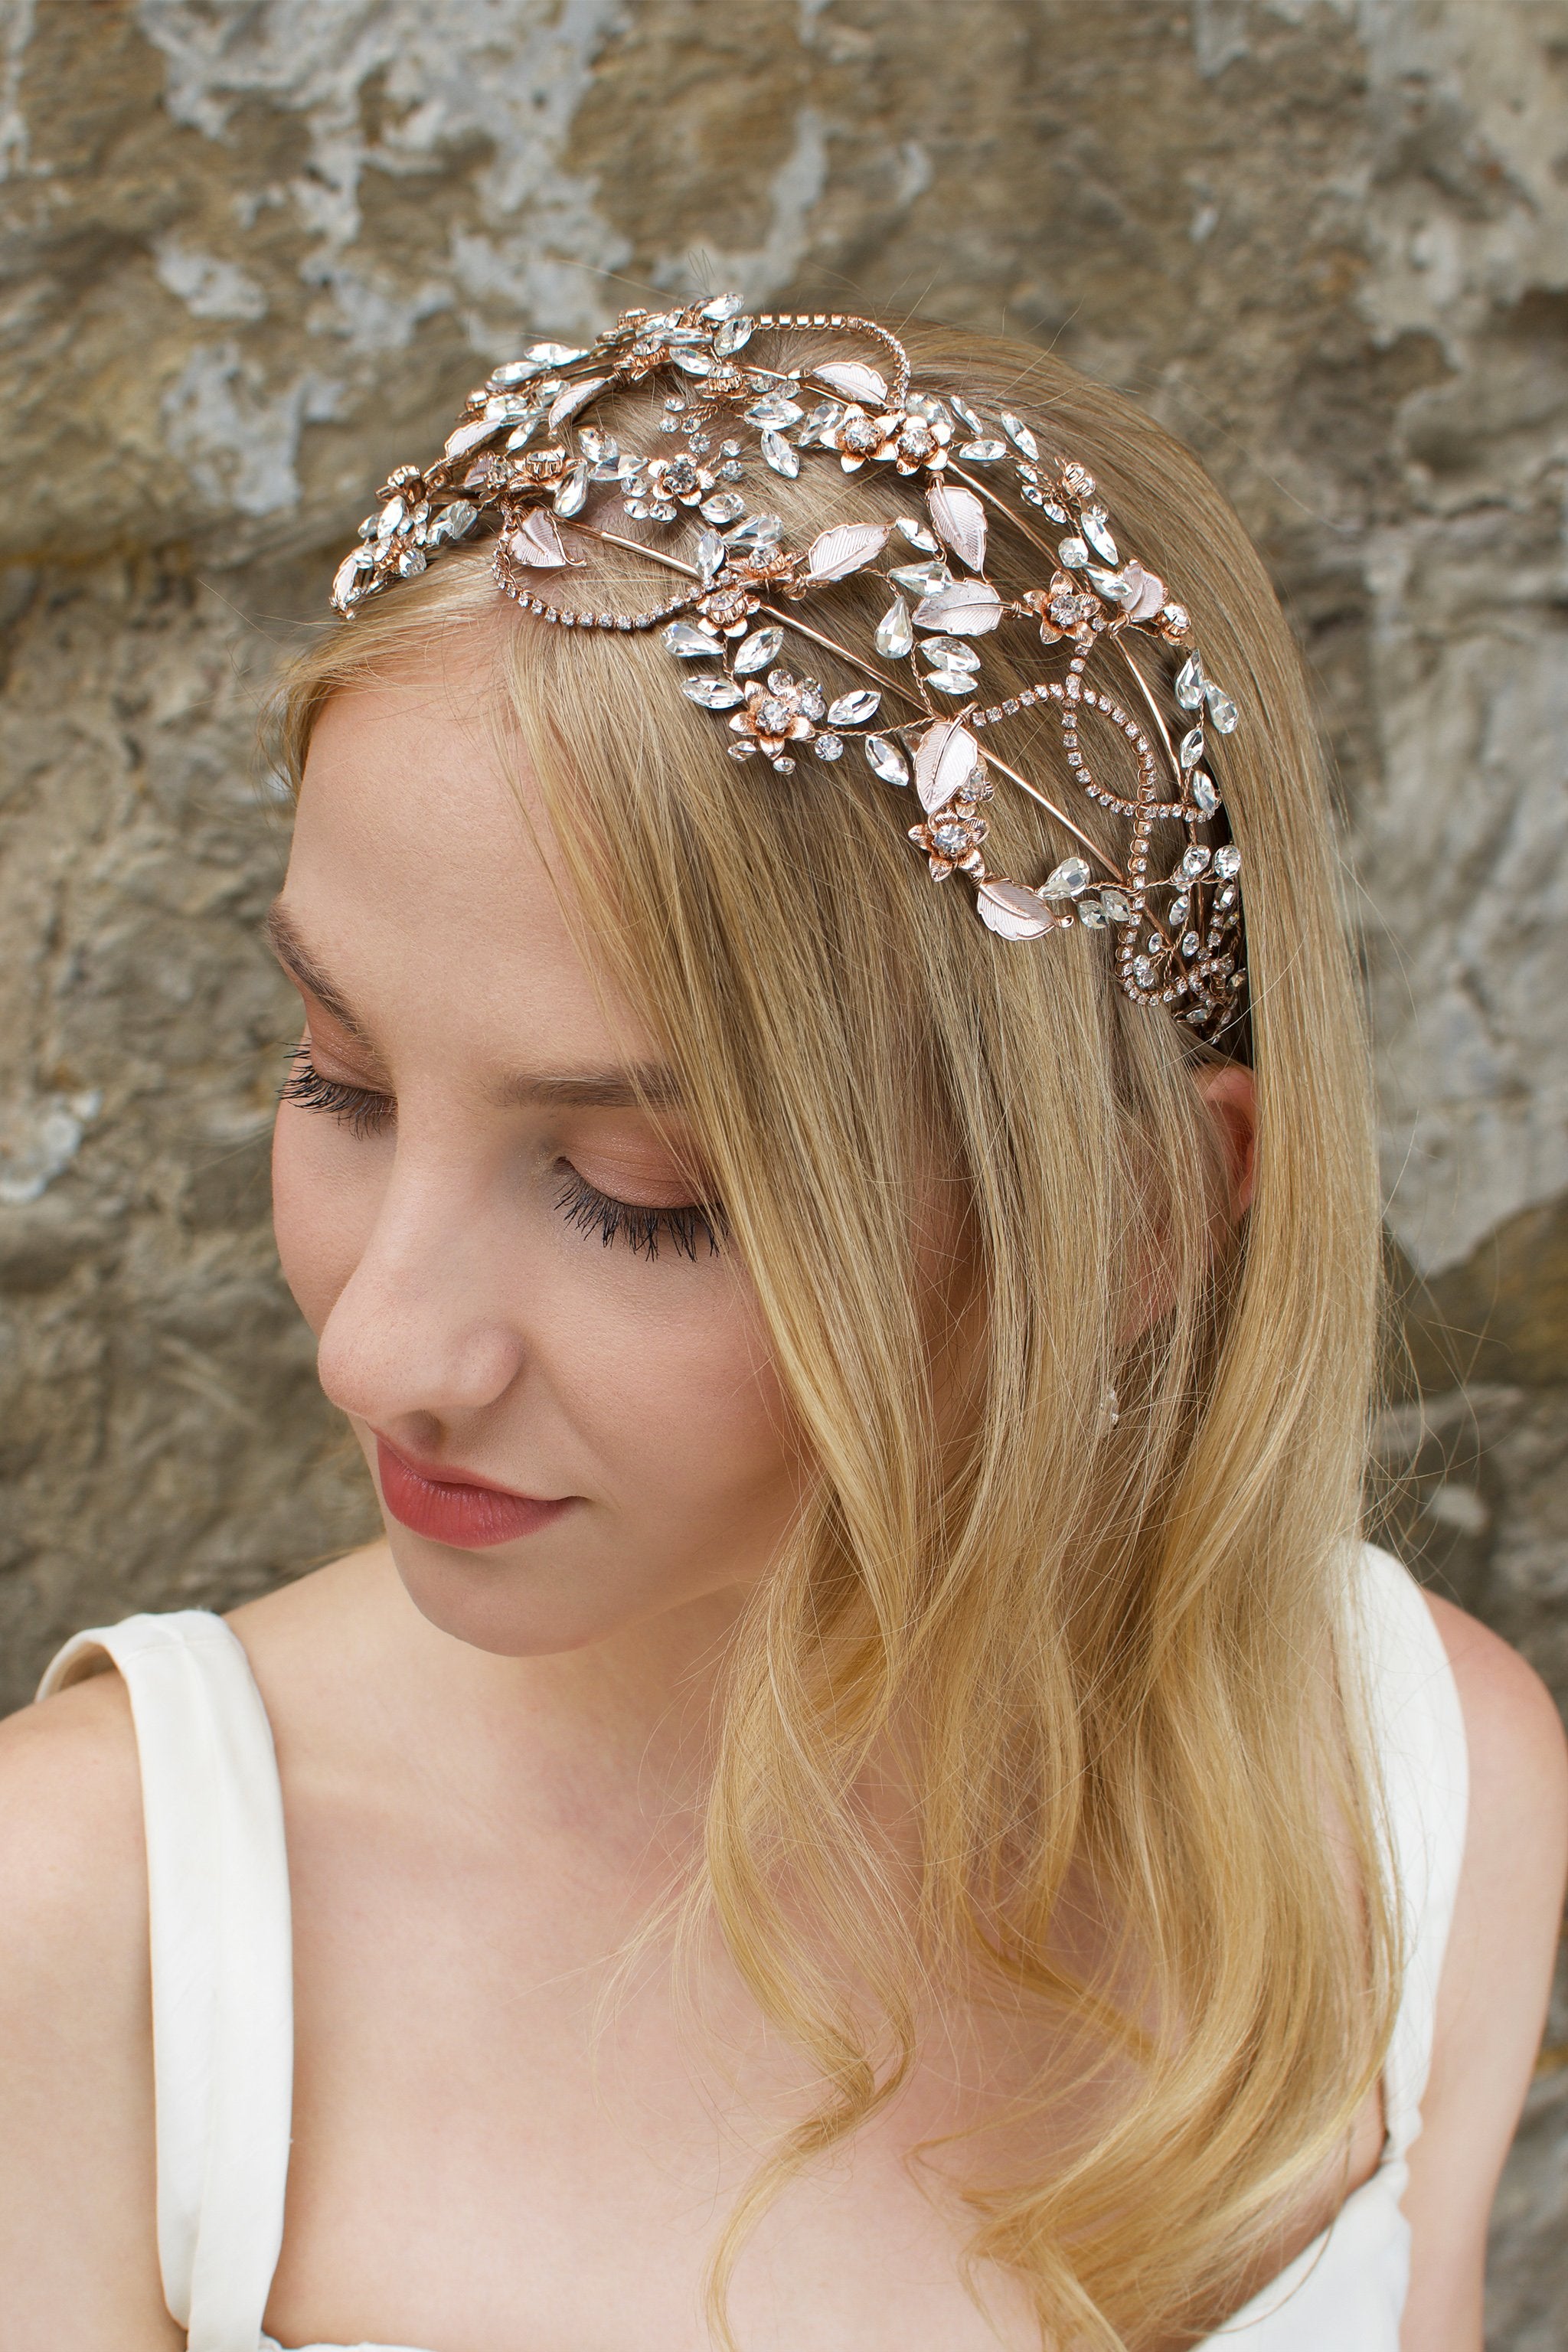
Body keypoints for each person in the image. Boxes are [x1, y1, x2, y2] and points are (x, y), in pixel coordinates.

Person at [1, 301, 1563, 2352]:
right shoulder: (93, 1927)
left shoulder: (1417, 1786)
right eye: (338, 1081)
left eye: (640, 1196)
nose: (378, 1351)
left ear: (1142, 1225)